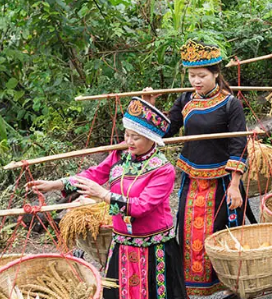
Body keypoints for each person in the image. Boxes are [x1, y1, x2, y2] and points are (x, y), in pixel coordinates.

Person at [28, 98, 188, 299]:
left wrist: (103, 194)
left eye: (135, 137)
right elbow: (93, 174)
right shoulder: (120, 156)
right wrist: (56, 184)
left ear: (151, 139)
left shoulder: (163, 170)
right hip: (121, 243)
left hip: (154, 248)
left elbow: (141, 207)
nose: (128, 141)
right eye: (126, 134)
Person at [143, 40, 256, 297]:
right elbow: (163, 130)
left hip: (222, 182)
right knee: (189, 232)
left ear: (215, 74)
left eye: (201, 76)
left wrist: (236, 186)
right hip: (192, 181)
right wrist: (149, 104)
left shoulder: (230, 105)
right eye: (192, 76)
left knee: (222, 234)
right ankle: (193, 288)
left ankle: (231, 285)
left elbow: (238, 145)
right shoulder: (185, 100)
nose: (196, 81)